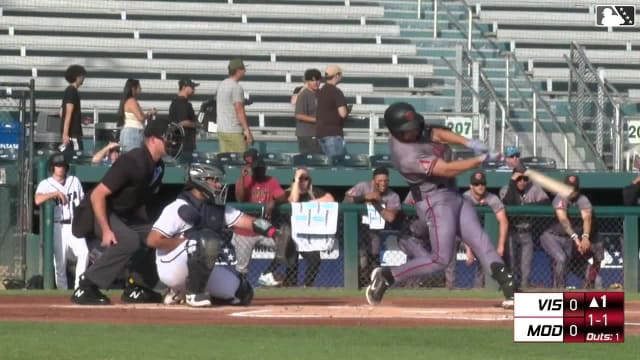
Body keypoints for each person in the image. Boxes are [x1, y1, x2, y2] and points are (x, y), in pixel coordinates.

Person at [364, 102, 515, 308]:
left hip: (453, 194)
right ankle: (387, 275)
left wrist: (470, 143)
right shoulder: (404, 155)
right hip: (434, 201)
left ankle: (511, 290)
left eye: (414, 127)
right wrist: (479, 159)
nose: (415, 131)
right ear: (397, 132)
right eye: (409, 130)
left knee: (481, 241)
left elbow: (438, 134)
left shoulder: (415, 129)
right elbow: (447, 170)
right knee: (440, 259)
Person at [70, 118, 184, 305]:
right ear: (153, 140)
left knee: (161, 234)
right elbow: (97, 195)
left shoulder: (158, 167)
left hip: (124, 215)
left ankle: (137, 287)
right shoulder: (132, 161)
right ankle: (86, 286)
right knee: (129, 240)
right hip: (97, 211)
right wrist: (107, 230)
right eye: (168, 138)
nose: (172, 143)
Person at [148, 163, 285, 307]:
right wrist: (185, 242)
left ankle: (180, 292)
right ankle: (192, 294)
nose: (219, 185)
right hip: (171, 266)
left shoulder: (217, 208)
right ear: (200, 180)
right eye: (214, 180)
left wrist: (274, 233)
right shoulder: (178, 207)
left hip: (199, 266)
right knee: (205, 240)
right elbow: (153, 240)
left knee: (243, 293)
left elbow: (249, 222)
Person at [445, 171, 509, 289]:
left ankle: (478, 288)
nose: (480, 186)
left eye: (482, 184)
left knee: (484, 249)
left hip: (479, 232)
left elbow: (503, 221)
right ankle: (450, 286)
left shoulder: (492, 198)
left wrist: (501, 246)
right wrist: (468, 250)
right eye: (476, 184)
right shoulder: (464, 198)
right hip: (458, 231)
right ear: (471, 186)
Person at [233, 152, 288, 286]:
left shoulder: (271, 180)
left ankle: (266, 275)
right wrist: (242, 178)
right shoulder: (245, 181)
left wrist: (273, 202)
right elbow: (239, 199)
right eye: (257, 169)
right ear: (252, 169)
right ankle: (241, 289)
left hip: (264, 228)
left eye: (261, 168)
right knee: (242, 269)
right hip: (244, 231)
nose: (260, 171)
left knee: (286, 244)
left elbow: (283, 197)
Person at [540, 175, 604, 289]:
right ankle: (559, 291)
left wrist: (585, 237)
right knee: (561, 258)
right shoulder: (559, 198)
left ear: (577, 189)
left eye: (573, 188)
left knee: (565, 264)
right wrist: (576, 238)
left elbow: (587, 218)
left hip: (569, 242)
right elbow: (564, 220)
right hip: (552, 236)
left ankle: (569, 291)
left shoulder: (582, 199)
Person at [35, 153, 88, 289]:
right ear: (52, 167)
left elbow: (82, 201)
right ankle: (62, 293)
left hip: (74, 224)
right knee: (60, 263)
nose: (61, 168)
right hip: (57, 227)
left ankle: (79, 287)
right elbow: (37, 200)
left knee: (84, 253)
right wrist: (54, 194)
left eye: (63, 165)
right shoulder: (45, 184)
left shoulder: (74, 180)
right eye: (58, 165)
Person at [344, 167, 401, 286]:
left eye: (386, 180)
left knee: (373, 258)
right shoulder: (363, 187)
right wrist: (364, 197)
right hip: (359, 229)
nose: (383, 183)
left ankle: (372, 285)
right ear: (373, 180)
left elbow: (390, 217)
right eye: (379, 180)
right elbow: (346, 201)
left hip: (377, 232)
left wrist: (376, 203)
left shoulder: (392, 195)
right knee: (361, 258)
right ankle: (358, 285)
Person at [282, 167, 334, 287]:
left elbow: (330, 199)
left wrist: (310, 203)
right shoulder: (287, 192)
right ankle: (290, 285)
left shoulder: (313, 192)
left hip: (307, 236)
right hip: (291, 234)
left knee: (315, 259)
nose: (303, 181)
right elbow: (293, 201)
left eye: (306, 179)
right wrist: (297, 180)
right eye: (300, 179)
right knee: (292, 262)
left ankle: (307, 285)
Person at [499, 166, 550, 288]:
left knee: (526, 265)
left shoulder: (534, 188)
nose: (522, 181)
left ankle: (524, 287)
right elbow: (508, 203)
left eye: (525, 179)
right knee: (511, 262)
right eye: (519, 179)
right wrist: (512, 183)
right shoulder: (506, 189)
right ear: (513, 179)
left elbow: (547, 203)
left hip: (526, 232)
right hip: (511, 231)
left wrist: (528, 206)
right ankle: (509, 287)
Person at [216, 58, 253, 153]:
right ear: (238, 70)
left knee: (225, 161)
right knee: (243, 161)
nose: (245, 71)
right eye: (243, 69)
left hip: (222, 130)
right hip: (234, 130)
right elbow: (239, 110)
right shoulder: (236, 87)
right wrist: (247, 131)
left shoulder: (222, 84)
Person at [315, 65, 351, 159]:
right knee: (337, 165)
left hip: (320, 133)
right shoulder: (336, 92)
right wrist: (348, 110)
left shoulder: (321, 90)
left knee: (326, 167)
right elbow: (342, 113)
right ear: (336, 76)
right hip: (333, 134)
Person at [117, 79, 157, 152]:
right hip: (133, 134)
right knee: (134, 159)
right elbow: (141, 117)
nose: (141, 89)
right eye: (139, 87)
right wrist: (149, 113)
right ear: (133, 88)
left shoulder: (128, 101)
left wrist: (147, 114)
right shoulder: (132, 101)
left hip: (130, 133)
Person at [60, 64, 87, 157]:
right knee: (75, 158)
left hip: (73, 134)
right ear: (77, 77)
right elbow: (68, 113)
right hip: (72, 135)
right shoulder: (71, 91)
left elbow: (64, 113)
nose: (84, 78)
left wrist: (81, 120)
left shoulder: (71, 91)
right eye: (82, 76)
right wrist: (65, 134)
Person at [294, 69, 323, 154]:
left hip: (319, 133)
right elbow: (298, 115)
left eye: (318, 80)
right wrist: (317, 120)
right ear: (307, 81)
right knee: (310, 160)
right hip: (306, 134)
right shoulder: (303, 95)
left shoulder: (321, 93)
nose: (316, 82)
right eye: (312, 80)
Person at [169, 78, 199, 157]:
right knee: (185, 164)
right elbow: (183, 122)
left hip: (180, 142)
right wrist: (197, 125)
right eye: (192, 87)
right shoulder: (182, 103)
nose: (194, 90)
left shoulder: (177, 101)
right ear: (183, 87)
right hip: (184, 143)